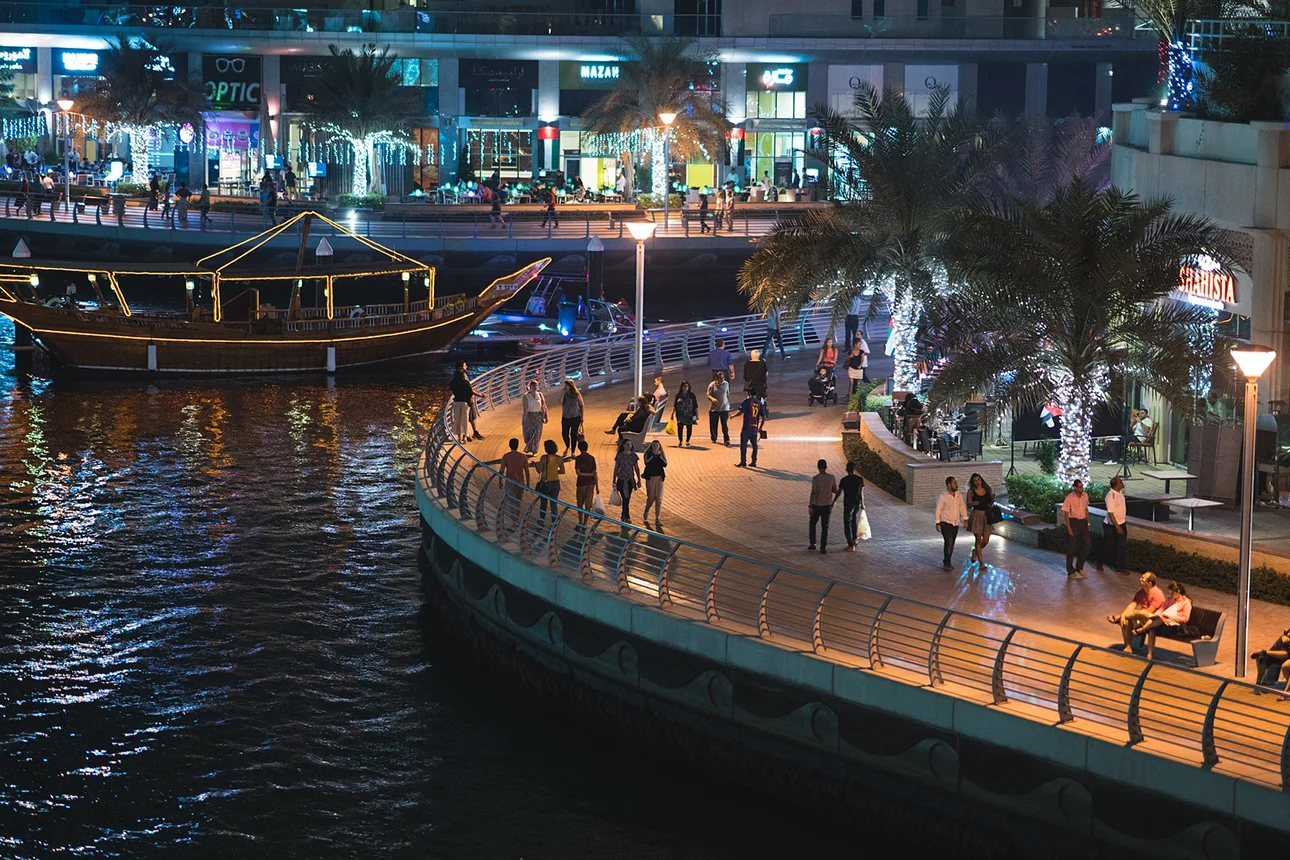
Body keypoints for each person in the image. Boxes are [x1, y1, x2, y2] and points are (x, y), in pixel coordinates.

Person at [1108, 571, 1167, 651]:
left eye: (1143, 578)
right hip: (1140, 617)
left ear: (1149, 583)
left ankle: (1118, 617)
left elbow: (1149, 612)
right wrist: (1124, 615)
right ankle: (1128, 647)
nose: (1140, 579)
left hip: (1153, 620)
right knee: (1126, 622)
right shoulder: (1141, 591)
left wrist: (1124, 615)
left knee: (1141, 613)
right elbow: (1133, 604)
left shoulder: (1157, 594)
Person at [1133, 581, 1193, 659]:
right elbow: (1161, 609)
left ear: (1178, 592)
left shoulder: (1186, 603)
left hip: (1176, 627)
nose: (1171, 596)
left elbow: (1185, 619)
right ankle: (1149, 654)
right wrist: (1156, 615)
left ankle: (1142, 629)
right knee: (1152, 628)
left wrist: (1170, 617)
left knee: (1159, 620)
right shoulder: (1170, 600)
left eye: (1172, 593)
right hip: (1164, 623)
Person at [497, 438, 531, 532]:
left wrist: (500, 481)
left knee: (512, 502)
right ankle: (518, 519)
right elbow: (527, 471)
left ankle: (514, 521)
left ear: (509, 445)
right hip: (520, 482)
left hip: (510, 482)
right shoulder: (523, 456)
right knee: (518, 501)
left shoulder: (506, 456)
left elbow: (501, 470)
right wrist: (528, 483)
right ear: (518, 445)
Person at [935, 476, 969, 569]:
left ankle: (947, 559)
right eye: (954, 483)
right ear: (949, 484)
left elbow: (962, 507)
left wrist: (965, 519)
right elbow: (938, 509)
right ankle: (947, 563)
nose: (956, 485)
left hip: (955, 522)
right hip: (945, 522)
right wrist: (937, 523)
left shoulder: (959, 495)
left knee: (952, 543)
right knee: (948, 541)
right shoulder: (943, 496)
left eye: (956, 483)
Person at [1062, 479, 1091, 579]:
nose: (1081, 488)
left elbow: (1086, 509)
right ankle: (1070, 571)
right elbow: (1066, 514)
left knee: (1087, 545)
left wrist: (1088, 522)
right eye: (1079, 487)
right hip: (1074, 522)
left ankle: (1079, 567)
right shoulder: (1069, 498)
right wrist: (1069, 527)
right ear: (1075, 487)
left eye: (1082, 486)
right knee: (1072, 548)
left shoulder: (1085, 496)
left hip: (1083, 522)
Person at [532, 439, 566, 523]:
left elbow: (539, 470)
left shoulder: (544, 458)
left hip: (546, 483)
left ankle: (542, 520)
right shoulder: (559, 458)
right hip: (555, 482)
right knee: (554, 504)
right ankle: (554, 522)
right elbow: (562, 471)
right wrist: (555, 472)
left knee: (543, 503)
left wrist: (535, 465)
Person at [809, 459, 839, 554]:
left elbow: (813, 493)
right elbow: (835, 490)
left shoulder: (815, 478)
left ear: (818, 467)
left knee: (812, 524)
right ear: (826, 467)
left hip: (816, 505)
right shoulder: (831, 477)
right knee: (825, 527)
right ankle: (823, 547)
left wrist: (810, 505)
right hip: (827, 505)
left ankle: (813, 543)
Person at [733, 385, 767, 468]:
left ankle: (743, 461)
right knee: (754, 445)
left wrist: (733, 416)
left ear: (749, 393)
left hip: (746, 427)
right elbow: (764, 416)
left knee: (743, 445)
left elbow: (741, 412)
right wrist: (761, 427)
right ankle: (753, 461)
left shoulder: (747, 401)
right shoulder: (759, 403)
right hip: (754, 427)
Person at [966, 472, 994, 565]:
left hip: (986, 516)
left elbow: (990, 504)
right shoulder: (971, 491)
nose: (977, 482)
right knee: (978, 539)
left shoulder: (987, 489)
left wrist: (993, 499)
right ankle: (981, 563)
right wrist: (973, 504)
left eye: (978, 480)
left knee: (985, 540)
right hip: (977, 515)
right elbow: (968, 505)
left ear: (981, 480)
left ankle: (975, 551)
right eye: (974, 481)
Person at [1102, 476, 1128, 574]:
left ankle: (1120, 568)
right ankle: (1100, 561)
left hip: (1121, 523)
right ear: (1116, 485)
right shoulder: (1110, 496)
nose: (1122, 483)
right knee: (1108, 545)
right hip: (1111, 525)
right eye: (1120, 482)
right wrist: (1117, 526)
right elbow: (1110, 513)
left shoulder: (1119, 493)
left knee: (1122, 545)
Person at [612, 437, 642, 523]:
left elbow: (636, 468)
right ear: (624, 445)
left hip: (630, 480)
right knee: (625, 497)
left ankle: (624, 515)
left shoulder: (633, 456)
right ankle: (626, 515)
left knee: (627, 498)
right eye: (627, 444)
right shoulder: (620, 456)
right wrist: (614, 480)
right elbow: (616, 468)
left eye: (630, 445)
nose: (629, 446)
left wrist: (639, 479)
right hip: (621, 480)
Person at [838, 461, 866, 551]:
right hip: (857, 503)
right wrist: (862, 504)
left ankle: (850, 545)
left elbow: (839, 492)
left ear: (846, 469)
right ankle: (855, 539)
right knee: (854, 519)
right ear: (855, 469)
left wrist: (833, 501)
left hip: (848, 503)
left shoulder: (844, 480)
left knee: (847, 522)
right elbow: (861, 493)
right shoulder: (860, 479)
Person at [642, 439, 667, 528]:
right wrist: (653, 455)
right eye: (654, 446)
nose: (656, 447)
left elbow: (665, 464)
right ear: (651, 447)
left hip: (660, 477)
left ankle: (657, 518)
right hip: (650, 477)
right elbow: (647, 463)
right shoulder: (648, 454)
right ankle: (647, 510)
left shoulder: (661, 454)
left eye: (657, 446)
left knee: (659, 498)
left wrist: (659, 456)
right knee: (651, 497)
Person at [520, 379, 548, 456]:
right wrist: (526, 419)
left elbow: (544, 406)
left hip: (538, 416)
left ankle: (534, 450)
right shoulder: (526, 396)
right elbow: (525, 409)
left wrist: (546, 415)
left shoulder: (540, 395)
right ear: (530, 386)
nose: (535, 387)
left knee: (537, 433)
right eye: (533, 385)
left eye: (536, 385)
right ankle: (529, 448)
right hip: (529, 415)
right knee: (528, 434)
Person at [574, 439, 598, 526]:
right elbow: (595, 473)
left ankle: (580, 521)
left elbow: (578, 472)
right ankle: (585, 523)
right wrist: (597, 486)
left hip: (581, 483)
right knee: (588, 504)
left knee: (580, 503)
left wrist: (584, 474)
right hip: (591, 483)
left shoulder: (578, 459)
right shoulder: (592, 458)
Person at [449, 363, 476, 440]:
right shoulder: (466, 382)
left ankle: (459, 437)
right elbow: (470, 391)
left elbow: (450, 391)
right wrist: (480, 395)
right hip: (465, 403)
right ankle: (464, 437)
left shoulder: (452, 382)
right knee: (465, 420)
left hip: (456, 403)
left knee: (457, 420)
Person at [559, 379, 584, 457]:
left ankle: (573, 451)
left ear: (570, 386)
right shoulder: (565, 394)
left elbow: (582, 405)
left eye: (566, 385)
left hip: (575, 417)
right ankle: (567, 446)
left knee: (573, 435)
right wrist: (562, 392)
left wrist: (582, 417)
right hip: (566, 417)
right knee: (564, 433)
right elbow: (560, 402)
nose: (565, 387)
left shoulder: (577, 394)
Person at [671, 380, 699, 448]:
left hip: (690, 414)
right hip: (680, 415)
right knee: (680, 428)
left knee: (689, 428)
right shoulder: (678, 395)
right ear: (682, 387)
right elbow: (675, 405)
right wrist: (672, 413)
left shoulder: (692, 395)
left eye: (687, 386)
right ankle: (680, 441)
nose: (686, 388)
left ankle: (687, 441)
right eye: (684, 386)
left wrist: (697, 414)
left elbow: (695, 405)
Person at [707, 372, 730, 446]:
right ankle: (714, 438)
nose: (722, 380)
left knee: (724, 425)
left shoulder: (726, 384)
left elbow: (727, 394)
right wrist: (712, 399)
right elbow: (708, 395)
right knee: (713, 425)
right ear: (716, 378)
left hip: (724, 408)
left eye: (723, 378)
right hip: (714, 409)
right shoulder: (712, 385)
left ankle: (726, 440)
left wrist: (727, 403)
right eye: (720, 378)